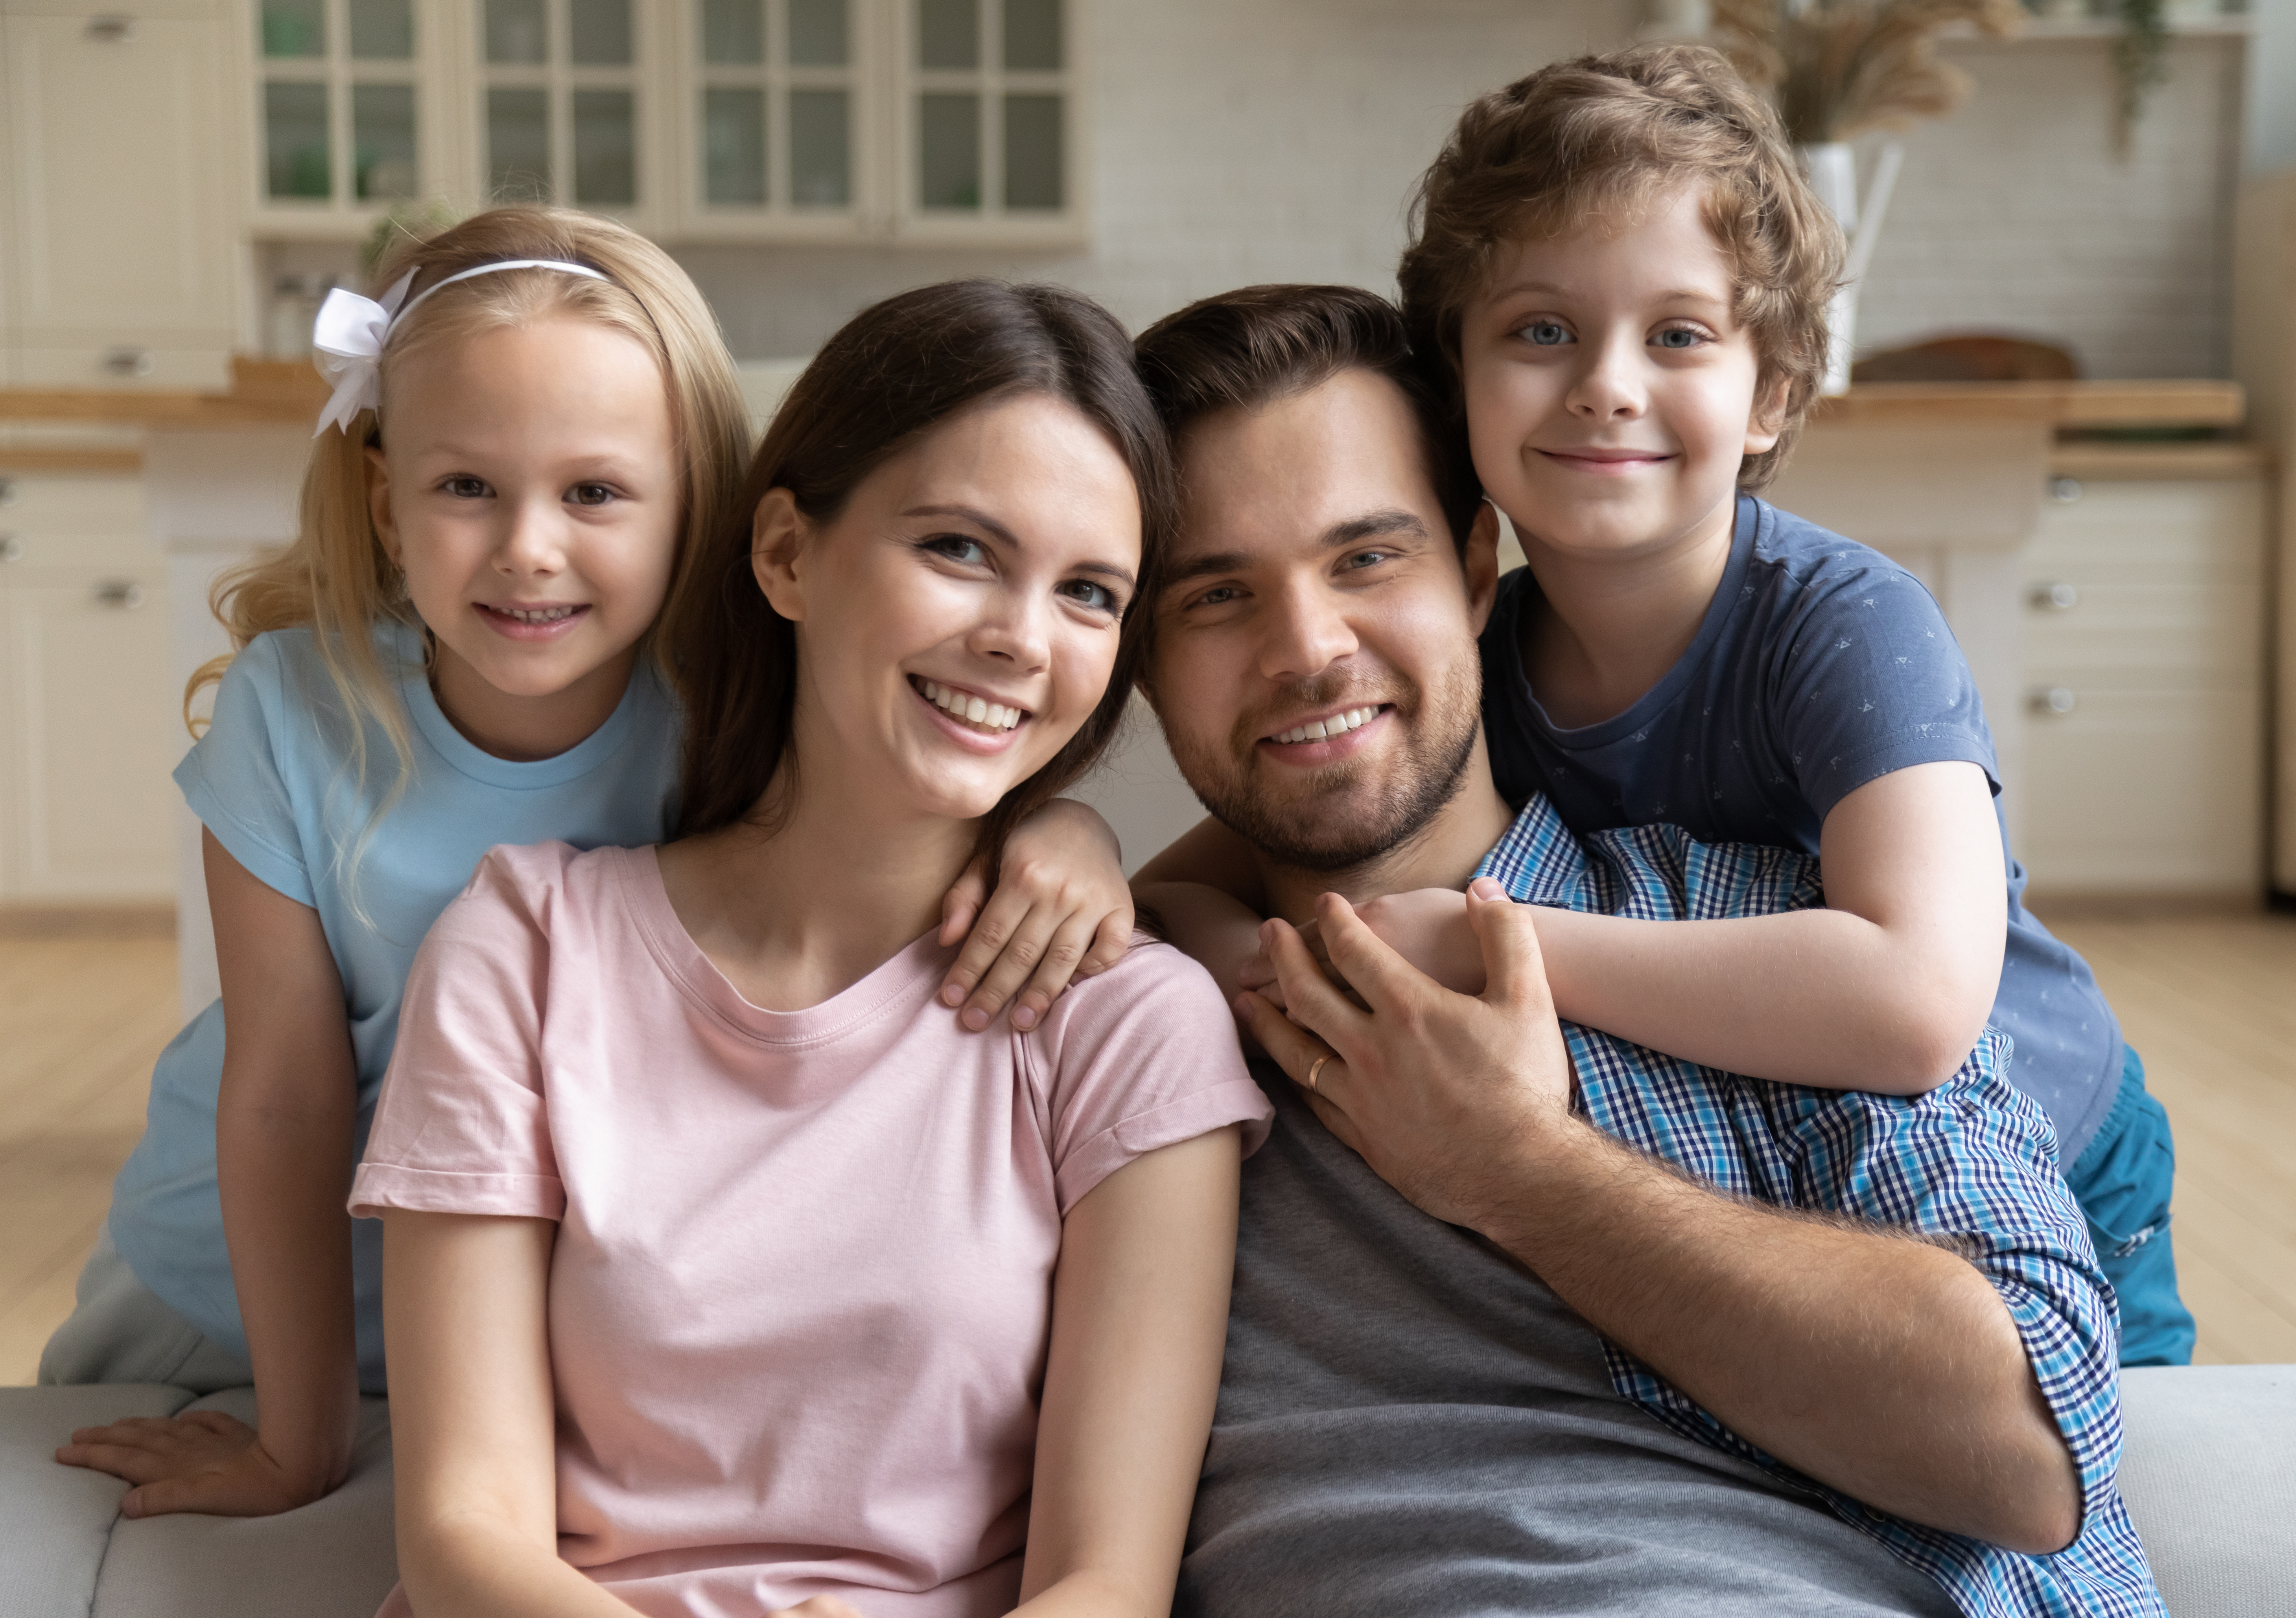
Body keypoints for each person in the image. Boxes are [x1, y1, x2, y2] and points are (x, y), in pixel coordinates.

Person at [43, 211, 1135, 1522]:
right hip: (233, 1299)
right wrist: (298, 1436)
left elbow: (906, 809)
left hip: (553, 1324)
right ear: (388, 505)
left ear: (697, 507)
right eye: (466, 488)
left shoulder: (724, 711)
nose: (529, 548)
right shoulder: (294, 710)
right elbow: (283, 1093)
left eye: (597, 492)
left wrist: (1064, 829)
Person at [1129, 283, 2165, 1616]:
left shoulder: (1761, 940)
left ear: (1473, 567)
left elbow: (2034, 1450)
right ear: (1140, 664)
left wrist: (1520, 1171)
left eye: (1368, 559)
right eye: (1217, 595)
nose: (1310, 650)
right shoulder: (1091, 1017)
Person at [1161, 44, 2193, 1367]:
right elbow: (1216, 872)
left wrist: (1503, 943)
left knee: (2110, 1477)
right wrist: (1122, 886)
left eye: (1679, 335)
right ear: (1456, 378)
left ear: (1769, 394)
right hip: (1806, 1174)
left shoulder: (1843, 625)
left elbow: (1916, 999)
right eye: (1541, 331)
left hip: (2051, 1151)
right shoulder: (1483, 646)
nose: (1606, 383)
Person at [349, 280, 1272, 1617]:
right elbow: (460, 1531)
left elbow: (1105, 1584)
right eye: (959, 547)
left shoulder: (1128, 1025)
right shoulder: (526, 947)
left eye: (1088, 591)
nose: (1021, 635)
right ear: (786, 555)